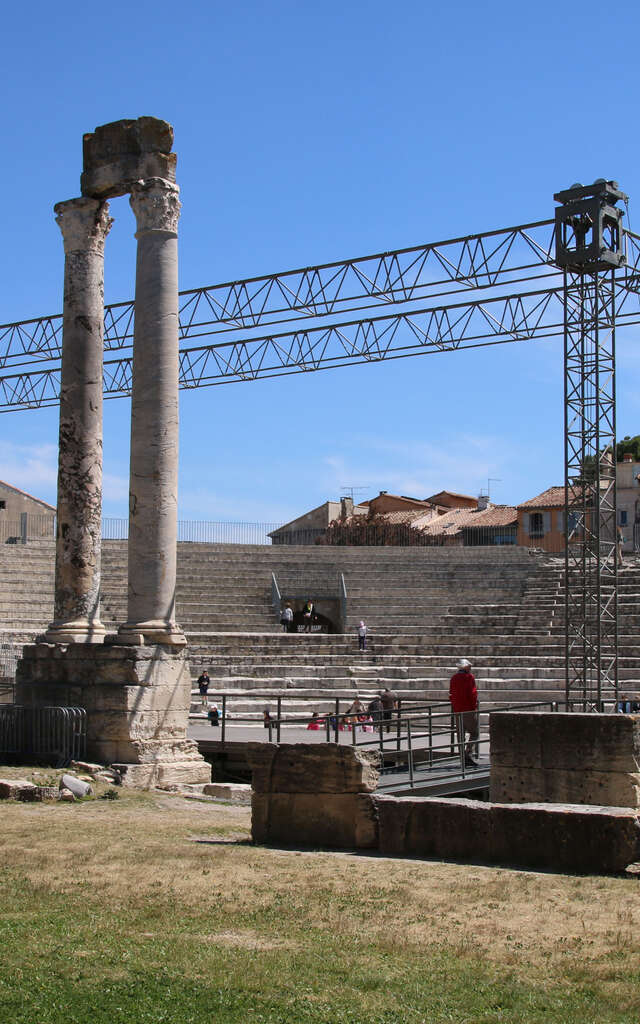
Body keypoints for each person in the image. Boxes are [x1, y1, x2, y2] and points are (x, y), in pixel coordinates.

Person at [449, 658, 479, 767]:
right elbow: (473, 693)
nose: (470, 668)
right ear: (466, 667)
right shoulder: (469, 677)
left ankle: (462, 756)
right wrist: (474, 706)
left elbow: (451, 693)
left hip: (457, 710)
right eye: (469, 666)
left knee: (460, 734)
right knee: (475, 733)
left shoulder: (453, 678)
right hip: (468, 709)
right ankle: (467, 753)